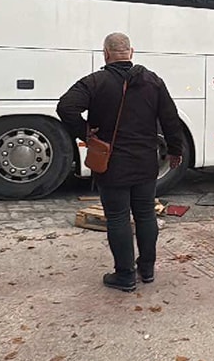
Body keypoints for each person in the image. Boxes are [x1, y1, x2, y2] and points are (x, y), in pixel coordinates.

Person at [56, 33, 186, 292]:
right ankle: (147, 270)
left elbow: (66, 107)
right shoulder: (153, 82)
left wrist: (85, 132)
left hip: (112, 163)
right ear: (131, 52)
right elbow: (170, 119)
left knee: (117, 218)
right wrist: (174, 151)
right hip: (145, 162)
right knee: (145, 214)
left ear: (105, 54)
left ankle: (125, 275)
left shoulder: (95, 81)